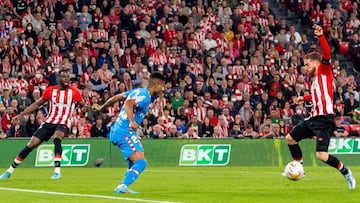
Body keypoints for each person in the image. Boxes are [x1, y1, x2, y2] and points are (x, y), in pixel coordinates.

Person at [284, 25, 356, 190]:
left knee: (321, 156)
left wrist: (321, 36)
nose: (306, 68)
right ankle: (299, 167)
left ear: (316, 63)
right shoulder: (315, 81)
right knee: (290, 138)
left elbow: (327, 54)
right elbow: (318, 96)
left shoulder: (324, 70)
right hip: (313, 119)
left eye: (307, 65)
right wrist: (304, 98)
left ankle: (346, 172)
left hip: (324, 120)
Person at [0, 70, 88, 180]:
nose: (66, 79)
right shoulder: (50, 91)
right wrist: (21, 115)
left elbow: (83, 105)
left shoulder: (74, 92)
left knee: (57, 138)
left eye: (67, 77)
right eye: (64, 77)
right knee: (30, 145)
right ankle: (9, 170)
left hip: (63, 122)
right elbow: (37, 104)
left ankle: (57, 172)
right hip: (49, 122)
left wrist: (85, 108)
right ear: (59, 79)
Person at [94, 72, 165, 194]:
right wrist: (132, 121)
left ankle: (124, 184)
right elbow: (128, 103)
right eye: (162, 86)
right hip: (124, 132)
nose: (162, 89)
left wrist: (102, 107)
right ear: (157, 85)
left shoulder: (137, 92)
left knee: (135, 160)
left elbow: (117, 97)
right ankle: (122, 186)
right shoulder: (144, 96)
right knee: (141, 163)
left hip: (120, 130)